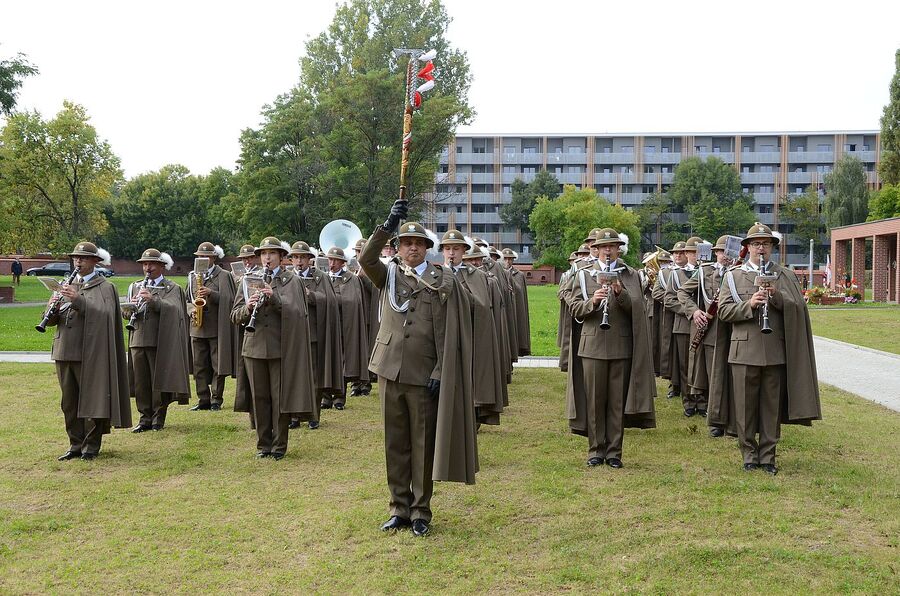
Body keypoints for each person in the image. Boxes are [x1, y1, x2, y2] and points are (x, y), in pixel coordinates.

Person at [359, 202, 477, 537]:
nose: (412, 247)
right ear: (397, 248)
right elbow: (366, 260)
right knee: (395, 444)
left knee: (423, 446)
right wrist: (386, 225)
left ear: (427, 248)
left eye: (418, 243)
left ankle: (421, 510)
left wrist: (441, 370)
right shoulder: (390, 273)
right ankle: (398, 507)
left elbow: (450, 331)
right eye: (406, 242)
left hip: (424, 375)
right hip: (389, 370)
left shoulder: (443, 280)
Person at [716, 223, 822, 474]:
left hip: (775, 351)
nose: (760, 248)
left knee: (771, 408)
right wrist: (749, 304)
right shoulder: (733, 276)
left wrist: (775, 296)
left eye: (765, 243)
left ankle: (768, 456)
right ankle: (749, 455)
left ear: (772, 247)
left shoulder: (784, 275)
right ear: (747, 248)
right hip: (743, 352)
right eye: (755, 243)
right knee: (744, 407)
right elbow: (723, 311)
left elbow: (797, 308)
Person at [566, 228, 656, 468]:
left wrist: (620, 292)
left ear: (619, 248)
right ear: (595, 248)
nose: (607, 250)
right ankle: (595, 450)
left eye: (612, 246)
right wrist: (592, 302)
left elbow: (637, 309)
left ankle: (615, 452)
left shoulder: (630, 274)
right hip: (592, 345)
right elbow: (574, 308)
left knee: (617, 402)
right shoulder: (584, 275)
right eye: (603, 246)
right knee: (595, 402)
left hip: (621, 345)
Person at [231, 237, 316, 460]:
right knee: (259, 399)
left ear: (281, 256)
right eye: (263, 253)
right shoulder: (248, 279)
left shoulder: (291, 280)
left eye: (272, 253)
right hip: (254, 347)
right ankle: (263, 445)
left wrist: (274, 298)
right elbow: (234, 315)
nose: (267, 257)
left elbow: (298, 312)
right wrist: (248, 308)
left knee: (279, 398)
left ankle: (279, 446)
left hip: (280, 347)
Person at [48, 242, 131, 461]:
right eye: (76, 258)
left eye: (83, 258)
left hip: (90, 352)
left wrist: (78, 300)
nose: (78, 261)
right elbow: (54, 320)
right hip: (64, 350)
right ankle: (75, 444)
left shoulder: (105, 287)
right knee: (69, 402)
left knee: (92, 399)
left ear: (95, 261)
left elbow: (104, 315)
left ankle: (91, 446)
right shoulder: (67, 283)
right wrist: (53, 307)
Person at [124, 249, 192, 432]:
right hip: (137, 338)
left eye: (152, 264)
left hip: (159, 340)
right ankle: (144, 417)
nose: (148, 268)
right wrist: (129, 308)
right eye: (145, 264)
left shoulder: (172, 288)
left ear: (162, 266)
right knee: (141, 382)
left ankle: (158, 418)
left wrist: (153, 301)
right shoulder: (134, 286)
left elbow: (175, 310)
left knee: (158, 381)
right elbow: (125, 313)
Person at [446, 231, 506, 426]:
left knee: (470, 378)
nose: (451, 253)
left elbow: (480, 306)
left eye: (456, 248)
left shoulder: (476, 276)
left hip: (469, 336)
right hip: (443, 337)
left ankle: (473, 414)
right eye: (447, 249)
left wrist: (458, 290)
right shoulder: (435, 274)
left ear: (464, 250)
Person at [287, 240, 343, 430]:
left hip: (313, 335)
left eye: (302, 257)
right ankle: (293, 415)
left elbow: (330, 301)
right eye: (295, 257)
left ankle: (313, 415)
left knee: (313, 378)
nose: (299, 261)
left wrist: (310, 295)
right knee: (293, 377)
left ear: (310, 259)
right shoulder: (287, 277)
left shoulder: (320, 277)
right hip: (292, 336)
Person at [678, 235, 730, 436]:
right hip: (712, 332)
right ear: (716, 253)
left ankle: (733, 418)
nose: (726, 256)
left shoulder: (739, 272)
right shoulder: (704, 272)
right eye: (722, 251)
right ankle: (716, 420)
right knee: (714, 377)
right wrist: (694, 311)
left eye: (729, 252)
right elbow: (682, 293)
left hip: (735, 331)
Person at [186, 242, 238, 412]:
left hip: (216, 327)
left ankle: (216, 399)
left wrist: (211, 294)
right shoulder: (192, 276)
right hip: (197, 326)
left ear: (214, 258)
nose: (202, 259)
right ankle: (203, 399)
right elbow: (187, 299)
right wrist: (191, 310)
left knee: (217, 365)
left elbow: (231, 299)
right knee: (198, 365)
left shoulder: (223, 275)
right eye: (200, 256)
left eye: (206, 256)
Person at [325, 246, 369, 410]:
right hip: (327, 327)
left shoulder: (351, 279)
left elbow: (354, 301)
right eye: (330, 259)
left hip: (345, 326)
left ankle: (339, 397)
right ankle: (325, 396)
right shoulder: (323, 278)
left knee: (342, 361)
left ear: (343, 263)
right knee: (326, 360)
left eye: (336, 260)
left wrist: (332, 298)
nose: (332, 263)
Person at [232, 244, 258, 429]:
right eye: (244, 259)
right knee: (251, 384)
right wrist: (248, 308)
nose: (247, 261)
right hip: (249, 338)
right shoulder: (241, 280)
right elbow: (234, 314)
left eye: (250, 258)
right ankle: (255, 421)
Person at [501, 248, 531, 357]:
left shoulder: (519, 275)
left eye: (510, 259)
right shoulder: (498, 273)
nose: (507, 262)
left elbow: (522, 295)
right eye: (505, 259)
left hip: (516, 309)